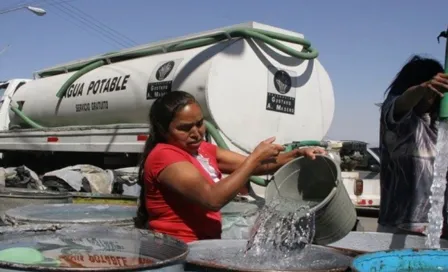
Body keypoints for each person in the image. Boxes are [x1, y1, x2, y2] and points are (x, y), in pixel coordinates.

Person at [134, 90, 326, 243]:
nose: (196, 133)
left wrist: (298, 154)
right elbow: (211, 199)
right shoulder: (164, 155)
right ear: (162, 129)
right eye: (184, 128)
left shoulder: (203, 150)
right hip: (175, 250)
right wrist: (256, 157)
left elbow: (256, 167)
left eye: (199, 124)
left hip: (201, 246)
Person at [379, 55, 448, 234]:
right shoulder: (397, 121)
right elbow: (401, 103)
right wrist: (422, 90)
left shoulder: (439, 124)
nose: (433, 97)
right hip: (399, 228)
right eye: (432, 90)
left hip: (438, 227)